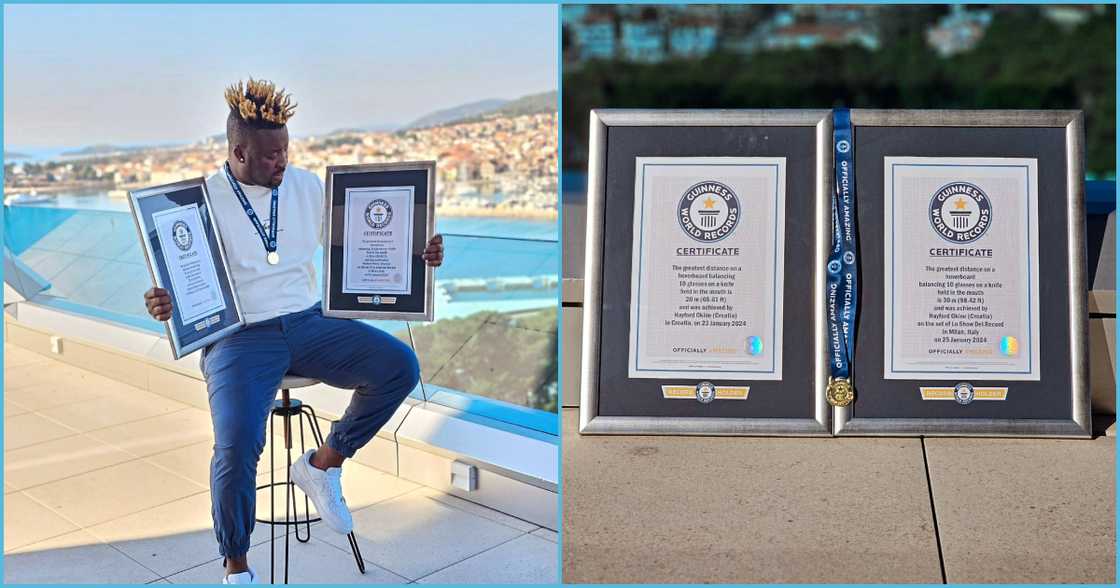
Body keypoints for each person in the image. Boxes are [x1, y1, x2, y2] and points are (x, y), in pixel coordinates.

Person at [143, 79, 444, 584]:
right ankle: (236, 564)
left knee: (400, 366)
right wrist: (162, 302)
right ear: (238, 152)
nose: (281, 162)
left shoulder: (306, 186)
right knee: (237, 445)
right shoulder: (197, 202)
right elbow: (177, 282)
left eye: (285, 150)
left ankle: (322, 464)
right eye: (269, 156)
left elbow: (367, 244)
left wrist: (420, 252)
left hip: (311, 320)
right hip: (239, 335)